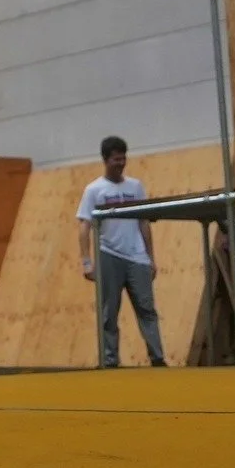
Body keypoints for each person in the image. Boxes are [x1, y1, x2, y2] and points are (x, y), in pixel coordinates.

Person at [77, 136, 165, 368]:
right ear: (106, 160)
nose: (121, 163)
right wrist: (86, 261)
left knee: (147, 309)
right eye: (116, 159)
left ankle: (157, 357)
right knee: (109, 312)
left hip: (137, 256)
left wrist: (151, 257)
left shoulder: (135, 187)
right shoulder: (94, 190)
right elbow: (84, 226)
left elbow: (143, 222)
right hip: (109, 254)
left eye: (123, 158)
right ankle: (110, 360)